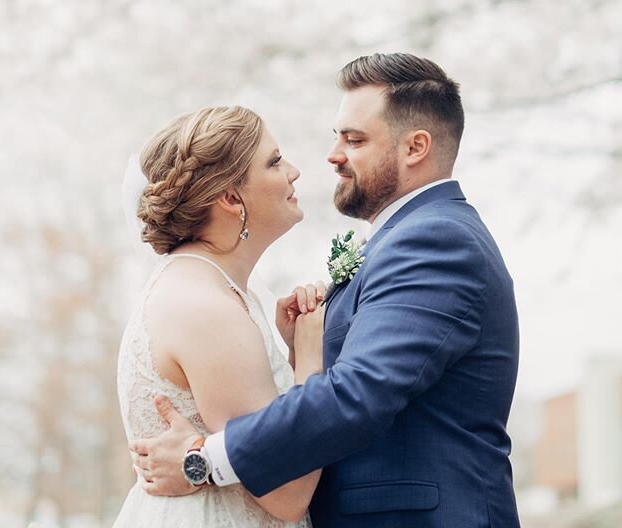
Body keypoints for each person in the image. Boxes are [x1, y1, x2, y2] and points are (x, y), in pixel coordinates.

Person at [131, 52, 521, 528]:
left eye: (354, 140)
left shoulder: (437, 240)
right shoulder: (403, 240)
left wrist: (203, 461)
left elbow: (359, 391)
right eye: (336, 136)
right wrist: (301, 355)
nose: (332, 155)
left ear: (415, 147)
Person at [112, 106, 326, 528]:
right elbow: (287, 492)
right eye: (275, 161)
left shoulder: (208, 288)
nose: (294, 172)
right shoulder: (204, 307)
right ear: (230, 198)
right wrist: (311, 361)